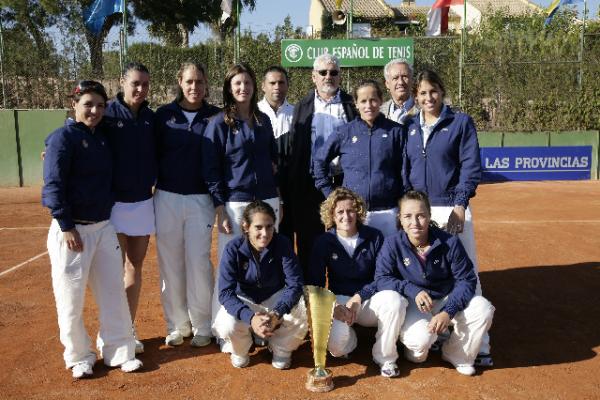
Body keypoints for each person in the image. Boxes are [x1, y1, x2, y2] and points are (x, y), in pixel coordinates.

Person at [42, 80, 142, 379]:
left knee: (112, 292)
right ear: (74, 104)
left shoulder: (102, 137)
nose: (95, 110)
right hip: (72, 232)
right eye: (88, 104)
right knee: (70, 298)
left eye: (100, 105)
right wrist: (66, 225)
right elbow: (53, 186)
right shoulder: (61, 138)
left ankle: (119, 350)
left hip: (103, 228)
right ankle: (79, 356)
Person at [403, 69, 492, 366]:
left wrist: (460, 203)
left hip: (451, 208)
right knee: (428, 270)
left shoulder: (461, 123)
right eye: (423, 93)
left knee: (467, 273)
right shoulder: (408, 126)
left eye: (434, 91)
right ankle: (438, 333)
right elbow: (406, 170)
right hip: (420, 210)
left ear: (442, 92)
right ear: (416, 96)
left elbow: (470, 166)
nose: (428, 98)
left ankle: (479, 345)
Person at [375, 191, 494, 376]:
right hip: (415, 304)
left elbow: (467, 279)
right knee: (419, 348)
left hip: (445, 299)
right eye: (408, 216)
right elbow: (382, 278)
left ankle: (457, 354)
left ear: (429, 216)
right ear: (400, 218)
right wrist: (412, 290)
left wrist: (449, 310)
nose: (414, 222)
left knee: (483, 308)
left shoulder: (450, 242)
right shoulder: (392, 244)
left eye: (421, 215)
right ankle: (417, 341)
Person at [154, 61, 220, 348]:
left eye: (200, 82)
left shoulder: (216, 116)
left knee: (198, 262)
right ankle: (176, 325)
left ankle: (202, 325)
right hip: (166, 197)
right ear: (180, 81)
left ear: (206, 84)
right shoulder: (163, 115)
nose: (195, 87)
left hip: (201, 200)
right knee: (170, 264)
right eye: (189, 81)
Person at [307, 188, 407, 378]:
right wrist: (334, 306)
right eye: (340, 212)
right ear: (331, 215)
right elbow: (316, 284)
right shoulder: (323, 242)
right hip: (341, 303)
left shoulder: (375, 237)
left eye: (351, 210)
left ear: (358, 211)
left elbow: (382, 277)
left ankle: (385, 357)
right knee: (336, 348)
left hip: (369, 298)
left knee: (395, 301)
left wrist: (359, 297)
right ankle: (351, 341)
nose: (346, 216)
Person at [212, 201, 307, 370]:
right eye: (258, 227)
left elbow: (295, 284)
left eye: (269, 227)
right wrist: (251, 318)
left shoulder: (282, 244)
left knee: (301, 312)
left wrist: (278, 312)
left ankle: (281, 347)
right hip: (245, 298)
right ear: (246, 226)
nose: (265, 233)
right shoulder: (232, 249)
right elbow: (225, 293)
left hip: (274, 297)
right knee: (226, 324)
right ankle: (241, 348)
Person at [103, 62, 155, 354]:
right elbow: (77, 130)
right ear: (122, 82)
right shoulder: (107, 113)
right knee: (113, 272)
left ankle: (129, 329)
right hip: (113, 207)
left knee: (135, 267)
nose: (140, 89)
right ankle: (111, 333)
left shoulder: (150, 117)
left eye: (145, 84)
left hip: (143, 203)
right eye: (135, 83)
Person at [203, 62, 281, 259]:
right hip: (235, 204)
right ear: (229, 88)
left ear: (254, 86)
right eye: (237, 83)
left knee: (268, 259)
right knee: (232, 260)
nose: (243, 88)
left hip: (267, 199)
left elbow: (274, 162)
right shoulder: (218, 123)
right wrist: (220, 210)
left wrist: (278, 198)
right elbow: (212, 171)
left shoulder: (263, 120)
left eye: (247, 83)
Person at [287, 53, 357, 272]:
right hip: (310, 186)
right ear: (313, 77)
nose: (329, 76)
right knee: (309, 243)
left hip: (344, 184)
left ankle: (345, 296)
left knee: (345, 239)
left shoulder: (351, 105)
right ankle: (312, 298)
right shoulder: (302, 107)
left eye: (334, 72)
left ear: (340, 76)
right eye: (323, 72)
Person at [313, 80, 404, 237]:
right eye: (363, 101)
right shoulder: (344, 132)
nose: (368, 105)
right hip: (354, 214)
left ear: (381, 100)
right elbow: (319, 161)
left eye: (373, 99)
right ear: (356, 103)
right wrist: (331, 194)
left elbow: (405, 170)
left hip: (389, 212)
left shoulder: (396, 131)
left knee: (389, 260)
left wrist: (403, 205)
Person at [257, 65, 294, 240]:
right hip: (261, 187)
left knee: (284, 237)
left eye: (281, 83)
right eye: (272, 83)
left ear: (287, 85)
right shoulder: (253, 113)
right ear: (263, 85)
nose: (277, 87)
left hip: (290, 187)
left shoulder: (297, 113)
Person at [380, 59, 417, 125]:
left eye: (405, 76)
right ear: (387, 84)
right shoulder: (379, 112)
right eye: (395, 78)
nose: (401, 82)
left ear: (412, 81)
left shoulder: (424, 110)